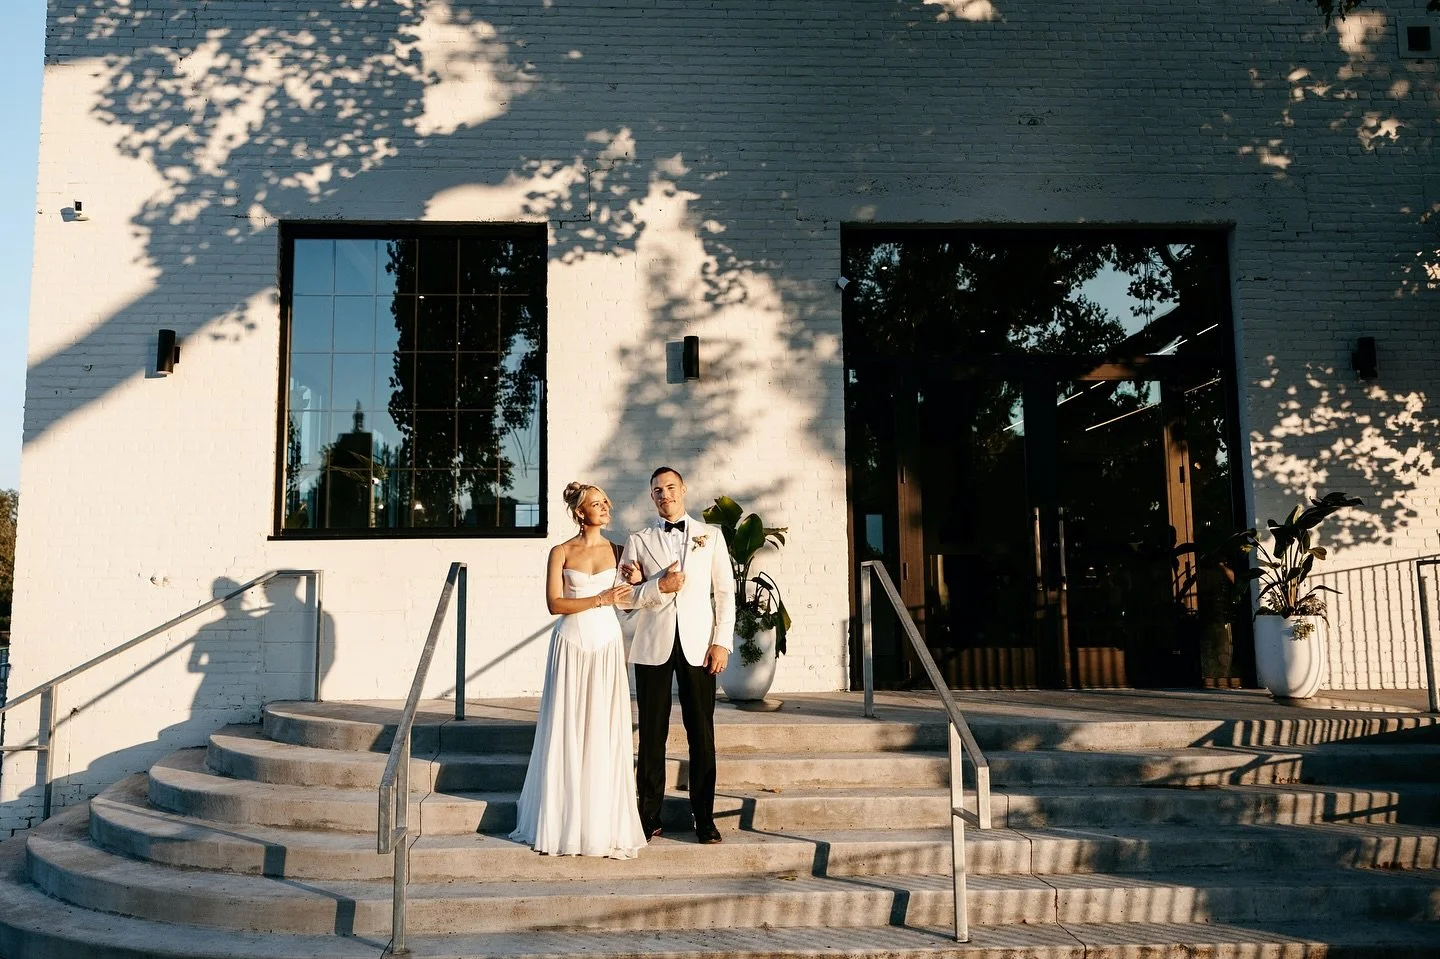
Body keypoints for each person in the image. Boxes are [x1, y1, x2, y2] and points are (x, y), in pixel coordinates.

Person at [509, 482, 648, 859]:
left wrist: (636, 584)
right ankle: (563, 824)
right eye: (596, 503)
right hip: (570, 645)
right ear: (579, 512)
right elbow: (555, 603)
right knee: (566, 727)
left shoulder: (621, 551)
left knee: (602, 728)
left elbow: (630, 606)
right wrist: (600, 598)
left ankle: (601, 824)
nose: (605, 507)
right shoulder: (560, 551)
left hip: (606, 645)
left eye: (606, 502)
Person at [618, 467, 736, 844]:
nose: (664, 494)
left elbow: (725, 594)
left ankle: (705, 819)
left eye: (670, 487)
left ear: (683, 489)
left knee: (701, 733)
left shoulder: (711, 536)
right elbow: (624, 600)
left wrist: (722, 641)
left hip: (700, 646)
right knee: (652, 735)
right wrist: (657, 586)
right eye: (656, 490)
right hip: (653, 646)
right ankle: (648, 817)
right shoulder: (639, 539)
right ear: (651, 497)